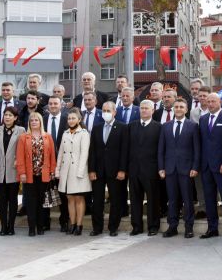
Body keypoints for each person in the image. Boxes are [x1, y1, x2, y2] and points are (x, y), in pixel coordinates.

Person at [159, 99, 200, 238]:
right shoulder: (165, 126)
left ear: (186, 109)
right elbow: (161, 149)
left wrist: (195, 167)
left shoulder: (193, 126)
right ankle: (172, 226)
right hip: (170, 169)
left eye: (181, 107)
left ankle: (189, 227)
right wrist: (161, 168)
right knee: (172, 199)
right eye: (176, 106)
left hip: (187, 169)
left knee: (188, 200)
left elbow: (196, 149)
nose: (178, 109)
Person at [199, 93, 222, 240]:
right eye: (208, 101)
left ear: (220, 102)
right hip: (206, 166)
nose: (210, 103)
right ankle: (212, 228)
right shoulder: (202, 119)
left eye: (213, 101)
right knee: (209, 199)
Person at [89, 101, 128, 236]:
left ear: (114, 112)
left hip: (115, 170)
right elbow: (92, 150)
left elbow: (124, 151)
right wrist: (92, 170)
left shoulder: (123, 127)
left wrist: (122, 170)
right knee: (97, 201)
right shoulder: (97, 128)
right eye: (104, 111)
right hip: (98, 171)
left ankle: (113, 228)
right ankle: (97, 228)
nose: (106, 113)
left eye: (108, 111)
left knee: (115, 200)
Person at [16, 112, 56, 236]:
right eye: (32, 120)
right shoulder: (24, 137)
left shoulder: (47, 136)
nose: (34, 122)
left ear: (40, 122)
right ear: (29, 122)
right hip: (29, 175)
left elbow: (52, 156)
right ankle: (31, 227)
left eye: (36, 120)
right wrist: (21, 172)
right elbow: (20, 156)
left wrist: (52, 171)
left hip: (44, 175)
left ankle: (40, 226)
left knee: (42, 202)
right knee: (31, 202)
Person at [128, 100, 162, 236]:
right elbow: (127, 149)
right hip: (134, 170)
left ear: (153, 110)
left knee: (153, 199)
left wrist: (160, 168)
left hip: (151, 170)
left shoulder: (159, 127)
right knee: (135, 200)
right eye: (141, 108)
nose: (144, 110)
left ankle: (153, 226)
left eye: (147, 108)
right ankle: (136, 226)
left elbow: (161, 150)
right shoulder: (131, 126)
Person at [57, 108, 91, 235]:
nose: (71, 120)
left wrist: (80, 172)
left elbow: (84, 154)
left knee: (79, 198)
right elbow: (60, 153)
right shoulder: (65, 133)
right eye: (69, 118)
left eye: (73, 118)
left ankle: (79, 225)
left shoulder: (84, 134)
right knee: (69, 198)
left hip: (78, 171)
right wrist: (57, 170)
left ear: (79, 119)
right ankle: (72, 224)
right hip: (66, 172)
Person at [0, 106, 24, 236]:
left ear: (15, 117)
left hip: (14, 170)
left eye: (10, 115)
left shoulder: (21, 130)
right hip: (0, 170)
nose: (7, 117)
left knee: (13, 200)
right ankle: (3, 226)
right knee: (2, 200)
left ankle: (11, 226)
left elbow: (22, 150)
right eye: (6, 115)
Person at [43, 96, 70, 232]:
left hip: (63, 162)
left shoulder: (67, 120)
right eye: (51, 103)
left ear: (61, 105)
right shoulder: (43, 119)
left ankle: (64, 221)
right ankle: (45, 222)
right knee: (46, 192)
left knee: (63, 193)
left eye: (55, 103)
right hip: (45, 162)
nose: (53, 106)